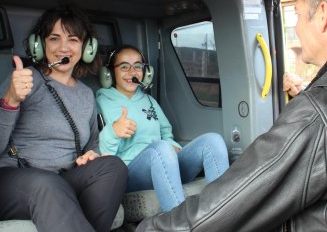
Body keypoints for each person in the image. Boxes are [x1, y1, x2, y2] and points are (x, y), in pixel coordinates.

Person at [136, 0, 327, 232]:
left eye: (298, 15)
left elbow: (242, 196)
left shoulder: (325, 107)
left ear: (322, 14)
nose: (297, 27)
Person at [0, 3, 128, 232]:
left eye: (73, 39)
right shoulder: (23, 80)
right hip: (2, 182)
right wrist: (11, 100)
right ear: (40, 44)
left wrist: (92, 155)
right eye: (54, 38)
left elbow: (94, 145)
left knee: (113, 167)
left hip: (59, 184)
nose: (63, 47)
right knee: (47, 184)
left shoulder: (86, 95)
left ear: (87, 48)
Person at [96, 45, 229, 212]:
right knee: (161, 148)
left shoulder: (149, 101)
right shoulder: (101, 102)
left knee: (213, 141)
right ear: (109, 73)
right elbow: (98, 151)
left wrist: (174, 146)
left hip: (166, 161)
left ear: (145, 72)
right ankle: (181, 228)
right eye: (124, 67)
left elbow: (166, 133)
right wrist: (113, 132)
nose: (132, 72)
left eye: (137, 66)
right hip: (130, 172)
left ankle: (222, 217)